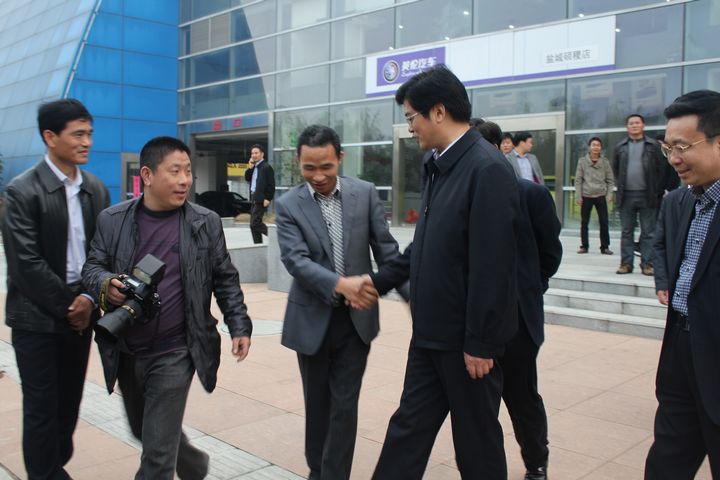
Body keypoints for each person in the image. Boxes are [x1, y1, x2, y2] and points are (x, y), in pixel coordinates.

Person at [368, 65, 520, 479]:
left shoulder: (487, 169)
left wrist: (481, 342)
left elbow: (494, 265)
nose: (409, 128)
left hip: (467, 344)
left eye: (411, 117)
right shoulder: (437, 164)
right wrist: (377, 281)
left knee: (476, 446)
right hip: (430, 334)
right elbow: (426, 245)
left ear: (438, 112)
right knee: (407, 431)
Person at [82, 136, 253, 479]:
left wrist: (239, 324)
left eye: (188, 171)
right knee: (144, 430)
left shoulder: (204, 222)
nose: (184, 180)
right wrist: (106, 284)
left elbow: (225, 278)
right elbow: (92, 268)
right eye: (175, 171)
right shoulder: (112, 220)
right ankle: (194, 464)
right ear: (147, 175)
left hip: (177, 350)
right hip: (127, 349)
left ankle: (177, 461)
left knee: (157, 458)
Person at [274, 125, 401, 480]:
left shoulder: (365, 193)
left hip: (356, 321)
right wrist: (341, 285)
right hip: (312, 321)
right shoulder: (288, 205)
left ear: (340, 158)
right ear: (298, 162)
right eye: (309, 168)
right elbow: (296, 261)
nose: (318, 176)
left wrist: (411, 293)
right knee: (318, 406)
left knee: (344, 406)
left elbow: (387, 251)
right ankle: (318, 468)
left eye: (326, 167)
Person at [3, 98, 110, 479]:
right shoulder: (22, 191)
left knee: (68, 406)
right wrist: (73, 304)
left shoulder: (95, 189)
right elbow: (26, 264)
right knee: (41, 409)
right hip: (36, 319)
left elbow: (103, 253)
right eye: (77, 134)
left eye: (89, 133)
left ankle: (53, 468)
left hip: (81, 315)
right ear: (50, 137)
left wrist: (89, 299)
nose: (87, 142)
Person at [473, 118, 563, 480]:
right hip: (475, 324)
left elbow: (550, 254)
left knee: (522, 398)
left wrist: (528, 289)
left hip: (518, 323)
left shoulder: (531, 195)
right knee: (480, 406)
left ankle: (536, 464)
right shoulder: (463, 194)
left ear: (499, 150)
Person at [646, 90, 720, 479]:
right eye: (668, 148)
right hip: (681, 349)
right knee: (666, 463)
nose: (674, 158)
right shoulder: (681, 202)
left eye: (682, 147)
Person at [612, 114, 673, 275]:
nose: (634, 125)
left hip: (648, 196)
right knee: (626, 232)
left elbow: (662, 170)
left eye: (637, 123)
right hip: (626, 196)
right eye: (631, 123)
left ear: (643, 125)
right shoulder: (620, 147)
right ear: (627, 127)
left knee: (649, 232)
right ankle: (626, 264)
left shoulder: (653, 146)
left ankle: (648, 264)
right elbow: (616, 169)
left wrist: (657, 190)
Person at [575, 137, 615, 255]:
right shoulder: (582, 161)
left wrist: (609, 194)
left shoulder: (605, 162)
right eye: (593, 145)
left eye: (598, 145)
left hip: (600, 195)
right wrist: (578, 196)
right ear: (589, 147)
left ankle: (605, 247)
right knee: (584, 222)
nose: (596, 147)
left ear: (601, 147)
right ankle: (584, 246)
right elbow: (578, 180)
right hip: (586, 195)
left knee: (604, 222)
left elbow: (610, 180)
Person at [244, 144, 275, 244]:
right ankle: (258, 245)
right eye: (252, 153)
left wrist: (268, 198)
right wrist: (250, 167)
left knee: (255, 223)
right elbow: (247, 178)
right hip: (254, 197)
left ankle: (276, 236)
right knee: (252, 225)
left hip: (262, 198)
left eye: (256, 153)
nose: (253, 155)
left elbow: (271, 184)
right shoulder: (254, 167)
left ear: (262, 154)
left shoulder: (266, 167)